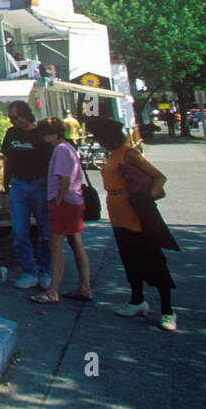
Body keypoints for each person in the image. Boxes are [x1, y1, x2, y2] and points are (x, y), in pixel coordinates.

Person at [88, 117, 180, 330]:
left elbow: (159, 177)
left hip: (135, 213)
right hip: (118, 213)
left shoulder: (128, 153)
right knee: (130, 259)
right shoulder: (113, 154)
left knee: (153, 259)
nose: (97, 142)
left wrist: (147, 199)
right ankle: (137, 300)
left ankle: (168, 311)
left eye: (99, 138)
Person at [32, 118, 93, 303]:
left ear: (55, 133)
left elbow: (64, 179)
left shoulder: (59, 150)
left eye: (45, 133)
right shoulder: (69, 148)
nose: (43, 137)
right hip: (75, 201)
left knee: (55, 247)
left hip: (64, 203)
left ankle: (52, 291)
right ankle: (85, 287)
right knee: (76, 243)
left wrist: (57, 202)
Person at [0, 100, 54, 290]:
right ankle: (28, 271)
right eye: (10, 118)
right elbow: (7, 158)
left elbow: (51, 161)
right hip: (19, 184)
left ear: (25, 115)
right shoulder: (11, 133)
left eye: (15, 117)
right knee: (20, 229)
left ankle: (46, 270)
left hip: (39, 183)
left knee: (44, 229)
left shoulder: (39, 133)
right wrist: (5, 181)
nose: (13, 121)